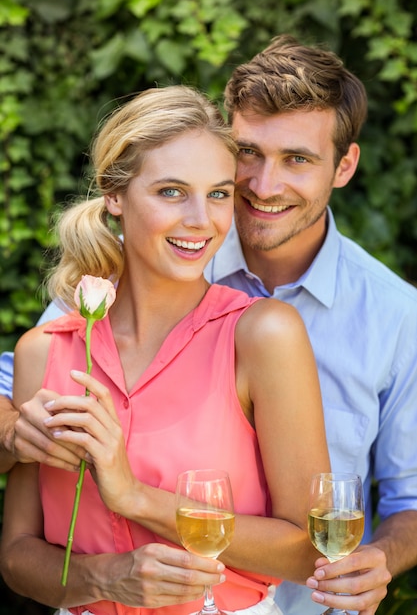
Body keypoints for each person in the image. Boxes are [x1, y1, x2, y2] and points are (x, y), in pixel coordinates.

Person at [0, 34, 408, 613]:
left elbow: (311, 547)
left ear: (344, 166)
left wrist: (135, 497)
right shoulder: (52, 345)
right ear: (115, 196)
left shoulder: (270, 330)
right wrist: (106, 576)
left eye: (217, 194)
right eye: (172, 191)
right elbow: (17, 554)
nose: (202, 220)